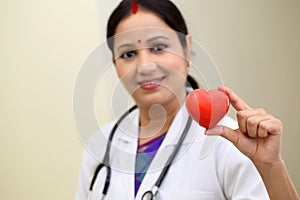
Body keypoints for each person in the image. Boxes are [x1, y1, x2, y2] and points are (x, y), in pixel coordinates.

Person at [75, 0, 299, 199]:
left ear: (186, 47)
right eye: (128, 54)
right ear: (115, 64)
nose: (145, 66)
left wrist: (271, 167)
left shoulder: (230, 145)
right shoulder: (101, 145)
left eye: (159, 47)